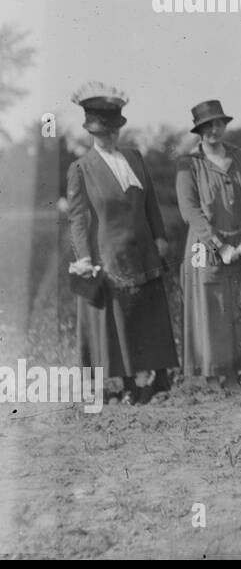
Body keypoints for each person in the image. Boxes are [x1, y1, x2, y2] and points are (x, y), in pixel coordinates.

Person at [66, 82, 178, 403]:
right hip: (110, 253)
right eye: (103, 132)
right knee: (122, 319)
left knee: (151, 312)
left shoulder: (135, 157)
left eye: (114, 130)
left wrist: (160, 237)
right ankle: (129, 383)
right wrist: (85, 257)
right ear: (91, 131)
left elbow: (151, 203)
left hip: (145, 248)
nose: (110, 137)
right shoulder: (81, 169)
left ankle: (159, 377)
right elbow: (77, 218)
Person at [176, 100, 241, 389]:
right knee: (211, 307)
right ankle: (214, 376)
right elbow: (191, 212)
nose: (214, 130)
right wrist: (219, 248)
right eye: (207, 125)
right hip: (205, 247)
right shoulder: (189, 164)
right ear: (199, 130)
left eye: (218, 123)